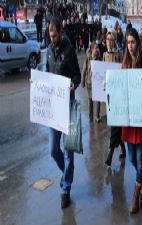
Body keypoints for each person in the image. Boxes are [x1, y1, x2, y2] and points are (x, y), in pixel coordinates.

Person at [46, 18, 81, 208]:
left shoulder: (69, 50)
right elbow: (46, 71)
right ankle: (65, 174)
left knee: (68, 152)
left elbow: (77, 74)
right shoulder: (48, 51)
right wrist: (37, 83)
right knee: (53, 149)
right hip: (53, 107)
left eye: (55, 36)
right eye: (50, 36)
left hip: (67, 106)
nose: (52, 39)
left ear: (60, 32)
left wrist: (73, 84)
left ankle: (66, 188)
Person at [121, 28, 142, 214]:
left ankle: (136, 193)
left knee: (139, 158)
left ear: (137, 44)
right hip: (127, 119)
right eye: (128, 42)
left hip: (140, 118)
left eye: (133, 42)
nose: (131, 46)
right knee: (132, 157)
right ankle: (141, 177)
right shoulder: (124, 64)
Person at [103, 28, 126, 166]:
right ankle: (123, 148)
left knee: (115, 124)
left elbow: (123, 72)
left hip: (119, 94)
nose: (109, 42)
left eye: (112, 40)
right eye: (107, 40)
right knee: (116, 124)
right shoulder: (105, 55)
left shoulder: (119, 54)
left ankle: (111, 152)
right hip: (109, 95)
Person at [81, 42, 101, 123]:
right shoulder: (88, 58)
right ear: (92, 49)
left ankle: (97, 116)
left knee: (98, 100)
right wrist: (82, 81)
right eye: (95, 48)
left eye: (97, 48)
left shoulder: (99, 58)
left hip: (97, 83)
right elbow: (84, 70)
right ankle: (90, 116)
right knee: (90, 100)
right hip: (89, 82)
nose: (97, 49)